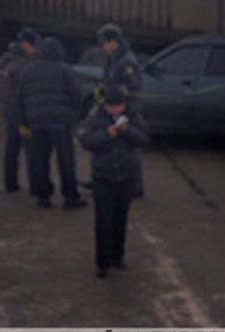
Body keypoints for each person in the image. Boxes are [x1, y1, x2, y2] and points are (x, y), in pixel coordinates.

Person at [78, 85, 149, 279]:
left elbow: (144, 139)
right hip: (103, 176)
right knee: (103, 221)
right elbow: (85, 140)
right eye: (111, 106)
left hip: (126, 176)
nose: (114, 110)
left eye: (118, 106)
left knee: (120, 218)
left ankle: (118, 256)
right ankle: (102, 262)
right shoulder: (96, 118)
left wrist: (127, 131)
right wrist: (106, 135)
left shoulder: (133, 117)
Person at [17, 37, 88, 209]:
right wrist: (77, 115)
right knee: (66, 160)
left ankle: (43, 196)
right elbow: (77, 95)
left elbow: (19, 100)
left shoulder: (27, 72)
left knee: (40, 160)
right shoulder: (65, 70)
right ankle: (70, 197)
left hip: (37, 122)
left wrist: (25, 121)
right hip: (61, 122)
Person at [96, 23, 144, 196]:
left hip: (124, 108)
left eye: (105, 42)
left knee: (129, 148)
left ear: (114, 41)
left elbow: (133, 87)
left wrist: (119, 99)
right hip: (112, 106)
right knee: (109, 143)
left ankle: (136, 185)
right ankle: (104, 178)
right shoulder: (113, 57)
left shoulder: (126, 61)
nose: (103, 46)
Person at [0, 27, 40, 193]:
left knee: (11, 147)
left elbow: (4, 89)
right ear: (27, 45)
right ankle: (35, 186)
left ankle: (10, 182)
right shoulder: (22, 64)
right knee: (31, 149)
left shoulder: (5, 60)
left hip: (10, 110)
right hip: (22, 112)